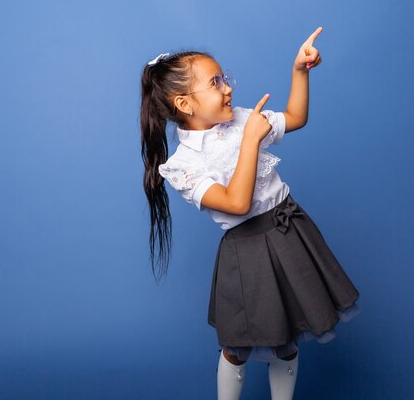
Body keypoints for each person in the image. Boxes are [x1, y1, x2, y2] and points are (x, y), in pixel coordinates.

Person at [140, 26, 360, 400]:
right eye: (215, 82)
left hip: (292, 232)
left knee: (288, 338)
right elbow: (236, 203)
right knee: (237, 345)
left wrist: (299, 71)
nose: (228, 88)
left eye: (225, 78)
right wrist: (251, 141)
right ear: (185, 104)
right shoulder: (182, 165)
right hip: (248, 252)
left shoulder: (242, 118)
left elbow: (295, 116)